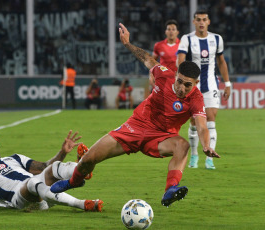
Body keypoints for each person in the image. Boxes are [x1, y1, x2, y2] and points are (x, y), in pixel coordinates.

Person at [50, 23, 220, 208]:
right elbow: (147, 58)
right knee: (89, 159)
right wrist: (127, 44)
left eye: (187, 85)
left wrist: (206, 145)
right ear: (176, 74)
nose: (181, 88)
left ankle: (170, 189)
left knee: (183, 145)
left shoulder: (196, 98)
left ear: (195, 83)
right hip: (135, 127)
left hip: (161, 137)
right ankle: (73, 182)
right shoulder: (164, 74)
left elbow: (202, 125)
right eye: (179, 82)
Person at [177, 9, 230, 170]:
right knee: (194, 121)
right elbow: (180, 61)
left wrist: (227, 83)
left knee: (211, 118)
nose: (201, 22)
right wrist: (180, 83)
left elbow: (221, 61)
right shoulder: (187, 39)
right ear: (194, 22)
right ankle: (194, 155)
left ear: (208, 22)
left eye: (204, 19)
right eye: (198, 19)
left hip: (211, 84)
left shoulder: (216, 39)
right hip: (192, 86)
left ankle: (210, 158)